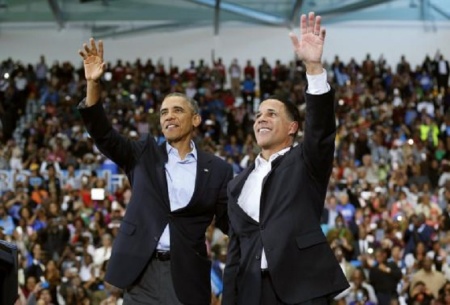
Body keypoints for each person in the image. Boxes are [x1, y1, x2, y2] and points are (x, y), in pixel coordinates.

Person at [77, 38, 233, 305]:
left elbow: (230, 222)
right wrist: (93, 84)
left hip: (185, 275)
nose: (168, 116)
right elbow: (103, 134)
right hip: (141, 271)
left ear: (195, 119)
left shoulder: (218, 169)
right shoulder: (143, 154)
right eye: (163, 113)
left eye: (177, 110)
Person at [222, 12, 349, 305]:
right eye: (257, 115)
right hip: (252, 292)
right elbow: (235, 252)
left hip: (302, 288)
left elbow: (320, 129)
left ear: (292, 127)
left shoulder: (306, 161)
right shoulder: (237, 185)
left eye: (271, 114)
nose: (261, 119)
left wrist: (313, 67)